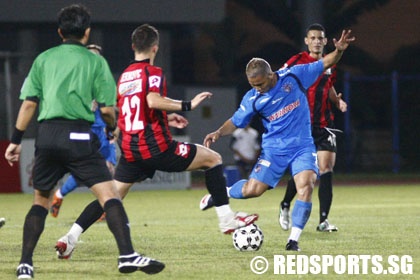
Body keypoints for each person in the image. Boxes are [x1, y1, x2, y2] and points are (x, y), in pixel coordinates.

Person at [54, 23, 259, 260]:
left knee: (110, 196)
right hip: (155, 147)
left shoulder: (123, 77)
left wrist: (167, 117)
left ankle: (69, 238)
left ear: (133, 46)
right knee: (213, 159)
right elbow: (152, 100)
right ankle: (226, 218)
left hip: (131, 149)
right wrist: (187, 105)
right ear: (155, 48)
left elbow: (134, 109)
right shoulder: (152, 72)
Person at [4, 5, 164, 279]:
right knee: (109, 196)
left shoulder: (44, 59)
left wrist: (15, 141)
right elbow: (106, 109)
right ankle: (127, 255)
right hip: (79, 135)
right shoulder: (95, 62)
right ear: (86, 31)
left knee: (40, 201)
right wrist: (112, 129)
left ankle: (25, 265)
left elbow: (29, 104)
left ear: (59, 31)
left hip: (48, 135)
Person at [199, 30, 355, 251]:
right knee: (253, 190)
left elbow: (325, 62)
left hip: (302, 146)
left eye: (261, 84)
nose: (258, 89)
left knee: (307, 185)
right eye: (253, 85)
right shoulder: (253, 98)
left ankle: (293, 241)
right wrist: (218, 132)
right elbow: (236, 121)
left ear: (271, 74)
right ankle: (221, 193)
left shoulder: (293, 76)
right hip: (274, 151)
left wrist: (338, 50)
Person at [279, 24, 348, 233]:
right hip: (301, 126)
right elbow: (279, 82)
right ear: (307, 41)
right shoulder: (297, 61)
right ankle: (285, 204)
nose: (317, 41)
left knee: (326, 169)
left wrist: (337, 102)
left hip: (325, 124)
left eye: (320, 38)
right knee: (305, 172)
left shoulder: (330, 64)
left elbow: (329, 87)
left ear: (325, 41)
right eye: (313, 38)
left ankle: (323, 221)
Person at [50, 44, 117, 219]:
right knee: (84, 172)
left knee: (110, 169)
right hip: (86, 133)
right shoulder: (77, 81)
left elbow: (112, 105)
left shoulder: (104, 78)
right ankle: (60, 194)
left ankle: (105, 207)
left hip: (104, 132)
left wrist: (113, 126)